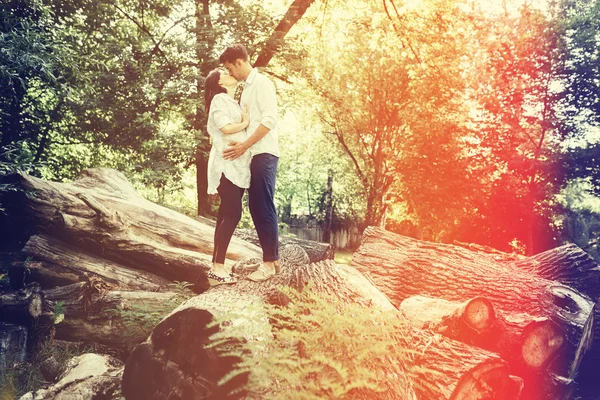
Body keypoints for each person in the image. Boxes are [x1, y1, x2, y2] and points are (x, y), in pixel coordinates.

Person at [219, 44, 280, 282]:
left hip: (264, 152)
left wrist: (245, 146)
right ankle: (272, 262)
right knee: (257, 206)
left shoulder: (262, 84)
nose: (229, 73)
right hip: (251, 155)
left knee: (263, 206)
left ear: (239, 62)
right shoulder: (245, 90)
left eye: (229, 68)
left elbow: (270, 120)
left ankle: (268, 264)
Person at [204, 68, 251, 285]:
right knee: (233, 213)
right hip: (225, 164)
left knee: (225, 213)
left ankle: (216, 266)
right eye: (225, 72)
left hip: (237, 165)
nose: (230, 72)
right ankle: (218, 267)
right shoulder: (219, 99)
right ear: (219, 81)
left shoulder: (233, 101)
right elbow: (225, 127)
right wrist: (245, 122)